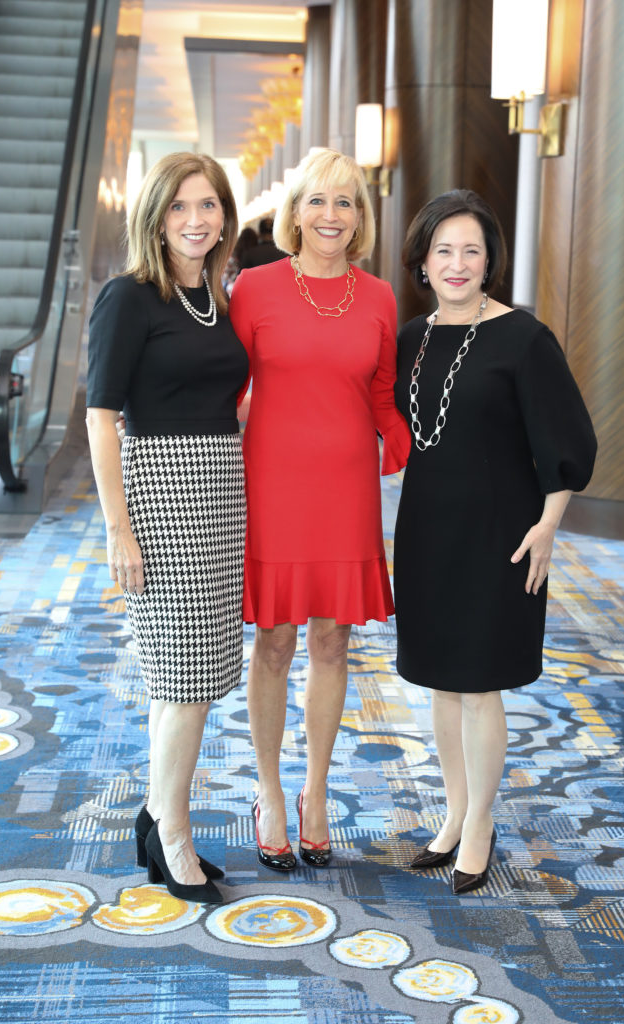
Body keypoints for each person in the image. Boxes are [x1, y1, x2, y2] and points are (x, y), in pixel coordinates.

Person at [394, 190, 596, 894]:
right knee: (440, 682)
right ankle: (453, 814)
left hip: (500, 533)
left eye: (471, 251)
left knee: (479, 685)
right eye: (443, 250)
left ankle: (479, 823)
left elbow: (567, 438)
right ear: (422, 261)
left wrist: (548, 524)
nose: (457, 264)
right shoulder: (412, 338)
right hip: (426, 528)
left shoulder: (524, 339)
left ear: (489, 261)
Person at [229, 149, 410, 871]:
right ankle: (269, 792)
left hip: (346, 487)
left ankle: (315, 791)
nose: (331, 215)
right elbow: (225, 384)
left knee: (333, 642)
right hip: (273, 485)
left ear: (360, 218)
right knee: (274, 641)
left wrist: (424, 450)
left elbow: (382, 393)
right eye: (317, 200)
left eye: (346, 202)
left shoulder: (380, 297)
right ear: (294, 212)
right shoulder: (255, 288)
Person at [86, 152, 248, 904]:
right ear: (154, 217)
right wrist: (117, 528)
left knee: (190, 672)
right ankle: (172, 831)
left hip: (220, 492)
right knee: (185, 676)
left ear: (224, 216)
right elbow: (101, 417)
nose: (195, 219)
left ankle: (157, 815)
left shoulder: (216, 297)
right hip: (160, 491)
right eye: (179, 206)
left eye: (208, 204)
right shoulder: (129, 296)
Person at [222, 226, 258, 295]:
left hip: (233, 288)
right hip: (251, 288)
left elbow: (226, 275)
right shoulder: (256, 254)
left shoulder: (233, 254)